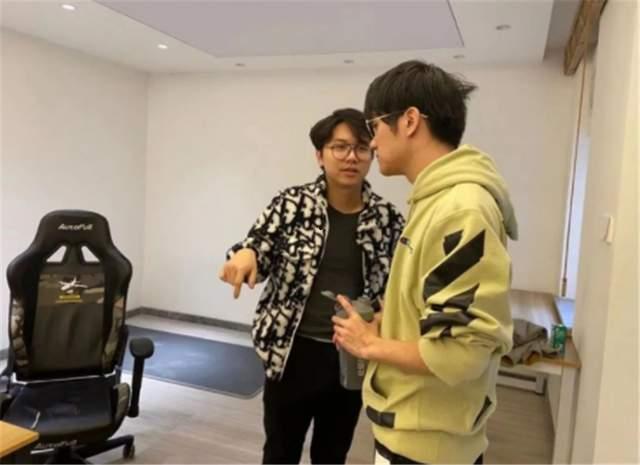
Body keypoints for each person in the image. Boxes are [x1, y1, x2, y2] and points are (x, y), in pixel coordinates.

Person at [332, 60, 519, 464]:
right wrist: (389, 321)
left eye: (374, 127)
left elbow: (460, 353)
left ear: (410, 121)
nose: (372, 144)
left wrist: (370, 344)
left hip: (428, 445)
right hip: (412, 429)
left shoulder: (461, 209)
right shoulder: (434, 200)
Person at [219, 108, 405, 464]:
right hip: (292, 353)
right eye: (340, 147)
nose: (351, 157)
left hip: (350, 353)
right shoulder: (292, 204)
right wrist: (245, 255)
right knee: (280, 452)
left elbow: (398, 285)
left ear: (371, 155)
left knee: (332, 453)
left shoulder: (387, 218)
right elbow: (258, 246)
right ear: (320, 155)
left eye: (361, 148)